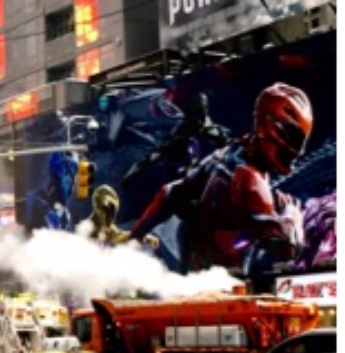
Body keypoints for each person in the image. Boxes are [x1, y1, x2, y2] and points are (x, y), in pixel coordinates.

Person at [117, 83, 313, 275]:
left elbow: (170, 194)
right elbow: (288, 250)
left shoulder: (225, 156)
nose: (295, 150)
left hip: (195, 280)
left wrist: (134, 237)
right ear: (269, 127)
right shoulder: (251, 183)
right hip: (222, 289)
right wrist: (291, 217)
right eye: (293, 137)